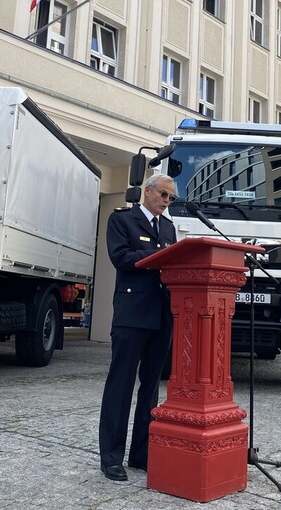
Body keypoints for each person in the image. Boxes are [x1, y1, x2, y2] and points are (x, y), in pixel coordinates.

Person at [99, 173, 177, 482]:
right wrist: (160, 257)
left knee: (150, 389)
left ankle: (141, 454)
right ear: (147, 192)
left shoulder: (169, 228)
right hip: (132, 314)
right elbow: (121, 257)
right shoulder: (122, 220)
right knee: (121, 384)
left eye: (170, 198)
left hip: (161, 315)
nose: (166, 201)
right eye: (162, 194)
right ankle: (111, 457)